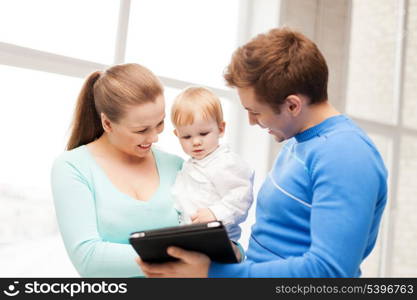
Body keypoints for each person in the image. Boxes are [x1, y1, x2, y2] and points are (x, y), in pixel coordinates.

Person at [137, 27, 388, 277]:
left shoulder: (346, 156)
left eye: (255, 111)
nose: (251, 121)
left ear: (292, 105)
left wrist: (213, 274)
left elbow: (328, 272)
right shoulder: (298, 142)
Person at [51, 63, 184, 277]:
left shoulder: (176, 166)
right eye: (141, 130)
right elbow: (89, 259)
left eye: (160, 124)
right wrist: (178, 255)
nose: (154, 137)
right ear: (107, 123)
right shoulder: (72, 167)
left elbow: (214, 236)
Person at [170, 87, 254, 242]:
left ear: (221, 129)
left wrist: (215, 214)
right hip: (190, 237)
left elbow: (241, 197)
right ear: (177, 135)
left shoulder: (226, 162)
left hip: (219, 240)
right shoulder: (188, 165)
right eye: (186, 136)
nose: (196, 142)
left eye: (203, 134)